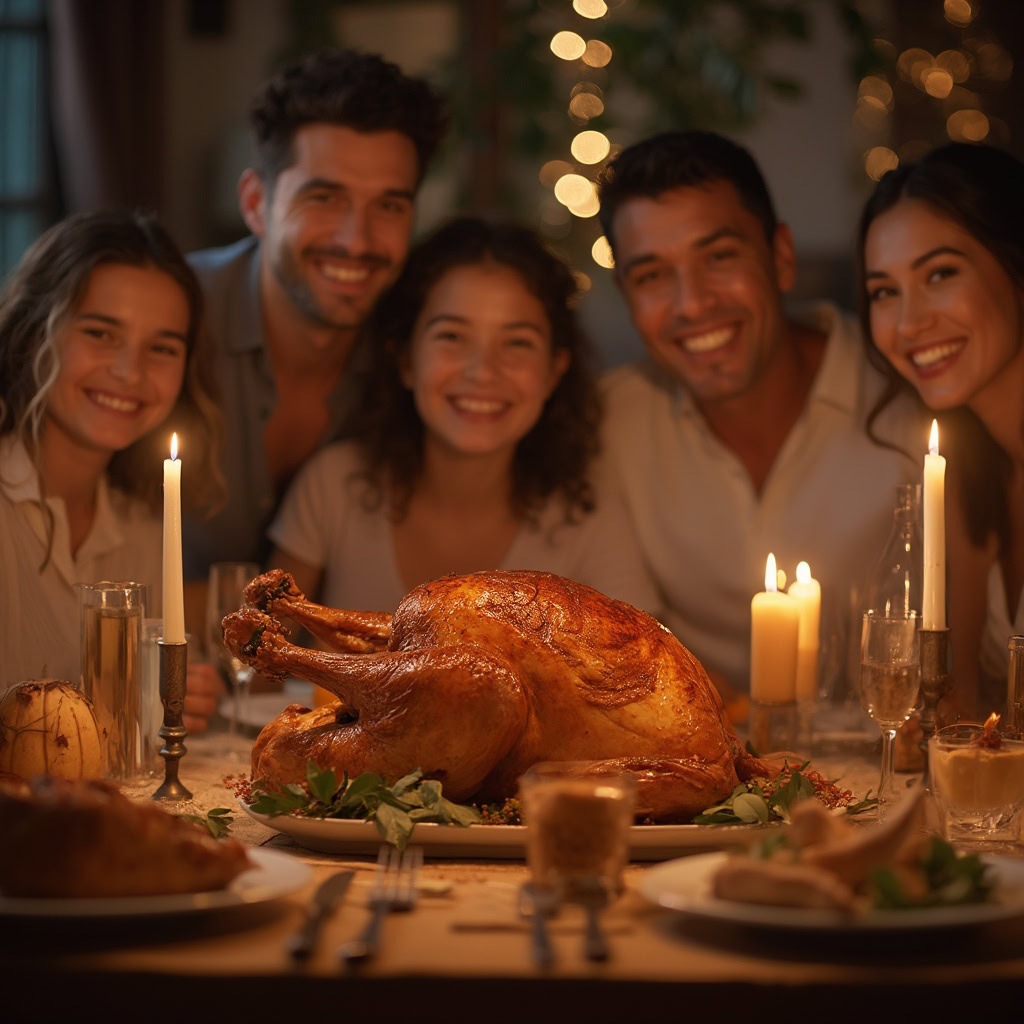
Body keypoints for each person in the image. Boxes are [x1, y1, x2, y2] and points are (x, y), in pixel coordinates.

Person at [597, 131, 919, 698]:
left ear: (781, 256)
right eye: (652, 276)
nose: (693, 303)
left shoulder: (910, 394)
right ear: (626, 295)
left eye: (719, 257)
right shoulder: (607, 422)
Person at [268, 216, 661, 616]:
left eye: (517, 343)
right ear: (405, 359)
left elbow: (643, 666)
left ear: (554, 371)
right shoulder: (335, 485)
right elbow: (259, 638)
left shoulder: (587, 518)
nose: (482, 371)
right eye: (452, 336)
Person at [182, 49, 447, 591]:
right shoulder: (171, 319)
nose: (357, 240)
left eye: (389, 207)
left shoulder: (424, 351)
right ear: (256, 203)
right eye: (324, 198)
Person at [0, 210, 223, 731]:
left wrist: (163, 698)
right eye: (101, 333)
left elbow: (128, 720)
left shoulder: (142, 525)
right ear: (37, 334)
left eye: (162, 347)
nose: (130, 372)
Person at [858, 142, 1024, 716]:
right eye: (885, 292)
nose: (909, 323)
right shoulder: (962, 467)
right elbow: (955, 704)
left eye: (941, 273)